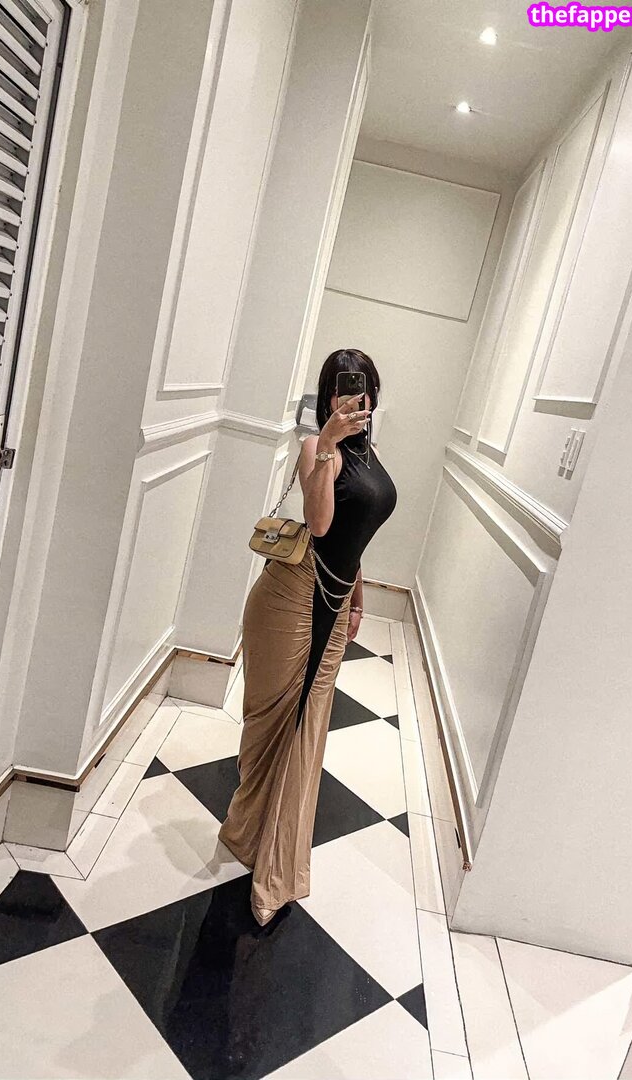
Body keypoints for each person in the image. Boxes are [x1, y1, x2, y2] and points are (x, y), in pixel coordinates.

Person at [217, 349, 398, 927]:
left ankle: (274, 856)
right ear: (328, 396)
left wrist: (358, 596)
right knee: (271, 723)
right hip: (290, 598)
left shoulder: (370, 453)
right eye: (344, 389)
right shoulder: (318, 448)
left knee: (308, 729)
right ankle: (250, 836)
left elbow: (355, 536)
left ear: (373, 394)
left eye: (363, 389)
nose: (356, 398)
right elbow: (320, 524)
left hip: (336, 600)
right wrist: (326, 445)